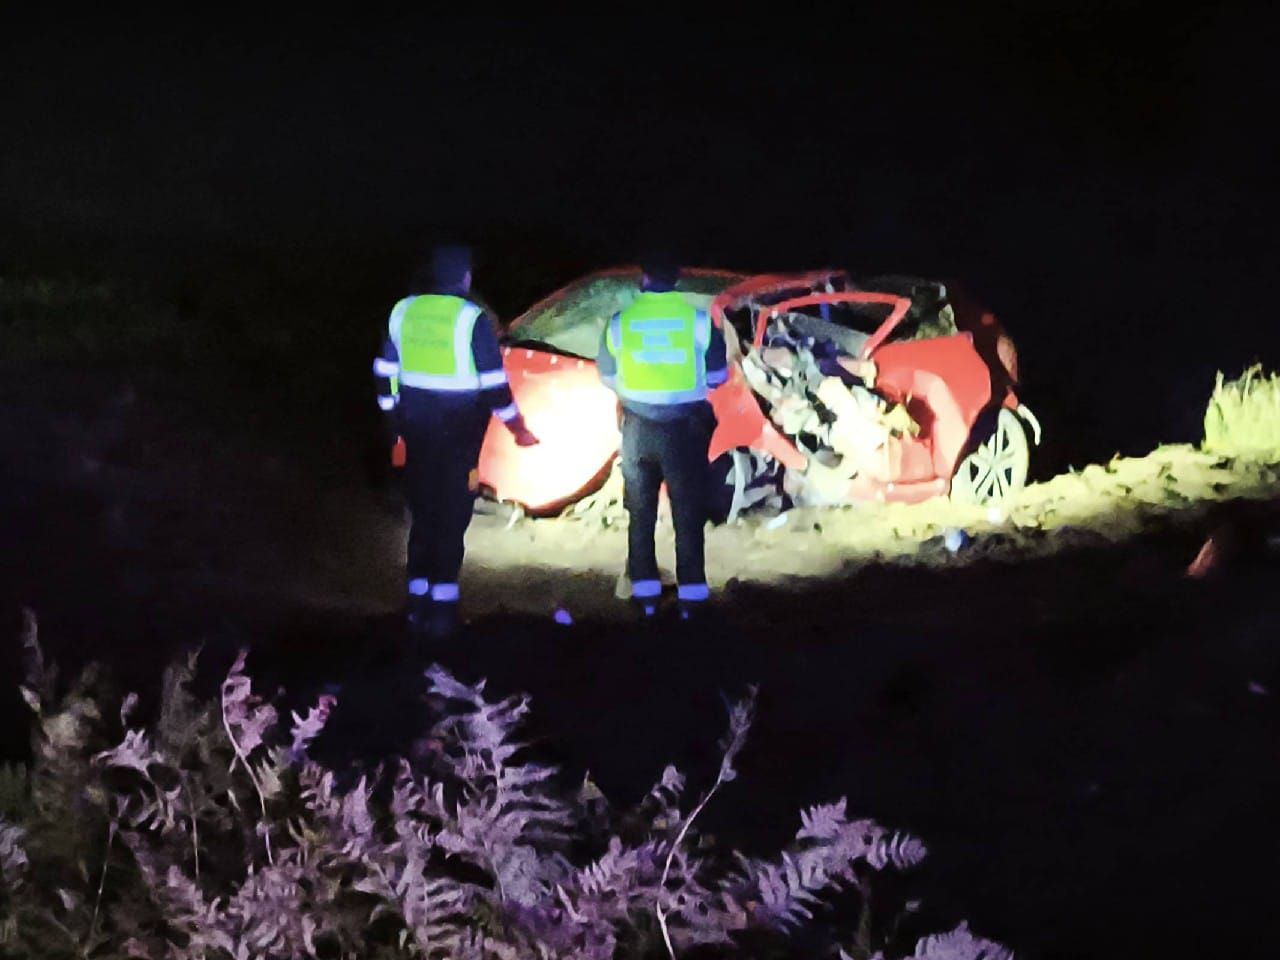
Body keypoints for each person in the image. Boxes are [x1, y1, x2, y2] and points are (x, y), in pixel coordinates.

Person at [373, 245, 538, 638]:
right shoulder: (471, 319)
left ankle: (416, 608)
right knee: (451, 519)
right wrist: (518, 428)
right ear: (465, 277)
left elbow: (383, 371)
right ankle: (443, 616)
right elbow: (494, 386)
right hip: (460, 437)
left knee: (424, 517)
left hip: (416, 431)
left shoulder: (402, 311)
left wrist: (393, 419)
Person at [596, 262, 728, 620]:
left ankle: (646, 599)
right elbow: (719, 376)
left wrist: (639, 389)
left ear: (644, 278)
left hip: (637, 427)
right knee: (688, 514)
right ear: (676, 279)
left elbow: (606, 375)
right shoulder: (699, 322)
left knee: (640, 513)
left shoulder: (621, 322)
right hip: (684, 429)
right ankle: (693, 600)